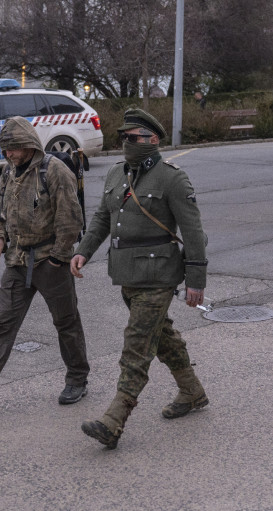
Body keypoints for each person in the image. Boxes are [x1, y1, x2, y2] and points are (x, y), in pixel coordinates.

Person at [71, 108, 209, 448]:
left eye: (133, 139)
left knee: (137, 344)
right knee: (160, 336)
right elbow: (103, 219)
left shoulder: (172, 178)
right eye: (123, 138)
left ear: (153, 140)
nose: (126, 144)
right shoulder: (117, 174)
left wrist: (196, 281)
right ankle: (192, 391)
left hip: (159, 274)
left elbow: (194, 234)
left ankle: (114, 420)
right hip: (127, 273)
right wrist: (83, 252)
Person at [0, 116, 90, 414]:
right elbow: (1, 209)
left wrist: (59, 257)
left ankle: (77, 379)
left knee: (66, 322)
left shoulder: (55, 170)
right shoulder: (9, 171)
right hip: (17, 260)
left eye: (14, 148)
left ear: (30, 144)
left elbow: (70, 218)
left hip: (51, 262)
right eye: (5, 149)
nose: (9, 154)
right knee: (3, 325)